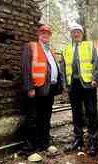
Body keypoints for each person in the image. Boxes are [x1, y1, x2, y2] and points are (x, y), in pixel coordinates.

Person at [21, 24, 63, 152]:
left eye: (48, 33)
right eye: (43, 33)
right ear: (38, 34)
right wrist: (29, 87)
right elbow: (26, 68)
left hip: (49, 88)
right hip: (36, 88)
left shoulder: (50, 50)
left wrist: (60, 86)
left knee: (46, 116)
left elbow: (53, 68)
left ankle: (45, 143)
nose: (45, 35)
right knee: (33, 117)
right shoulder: (31, 47)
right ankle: (30, 148)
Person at [61, 23, 98, 157]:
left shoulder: (89, 46)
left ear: (82, 34)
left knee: (91, 112)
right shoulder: (66, 50)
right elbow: (62, 68)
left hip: (88, 83)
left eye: (78, 32)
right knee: (76, 113)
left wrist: (96, 78)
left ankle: (93, 142)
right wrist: (65, 85)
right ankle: (78, 140)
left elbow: (96, 61)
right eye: (73, 32)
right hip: (73, 84)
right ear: (71, 35)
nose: (76, 34)